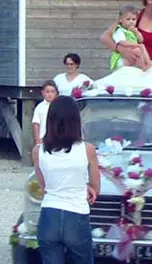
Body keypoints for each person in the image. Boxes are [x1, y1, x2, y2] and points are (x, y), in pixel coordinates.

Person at [33, 95, 100, 264]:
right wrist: (86, 187)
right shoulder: (87, 150)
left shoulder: (38, 151)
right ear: (76, 120)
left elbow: (44, 185)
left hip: (49, 214)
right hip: (76, 214)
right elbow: (95, 189)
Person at [109, 4, 151, 70]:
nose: (131, 22)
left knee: (142, 46)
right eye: (128, 19)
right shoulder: (119, 30)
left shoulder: (133, 31)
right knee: (138, 49)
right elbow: (122, 42)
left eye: (133, 19)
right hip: (122, 57)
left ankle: (148, 64)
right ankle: (143, 67)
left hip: (132, 55)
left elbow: (141, 40)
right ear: (120, 20)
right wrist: (135, 45)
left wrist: (136, 32)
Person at [32, 80, 59, 147]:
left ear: (56, 93)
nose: (50, 94)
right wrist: (37, 140)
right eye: (47, 92)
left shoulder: (59, 106)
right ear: (43, 93)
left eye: (52, 92)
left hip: (57, 139)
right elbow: (36, 124)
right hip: (43, 139)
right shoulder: (40, 107)